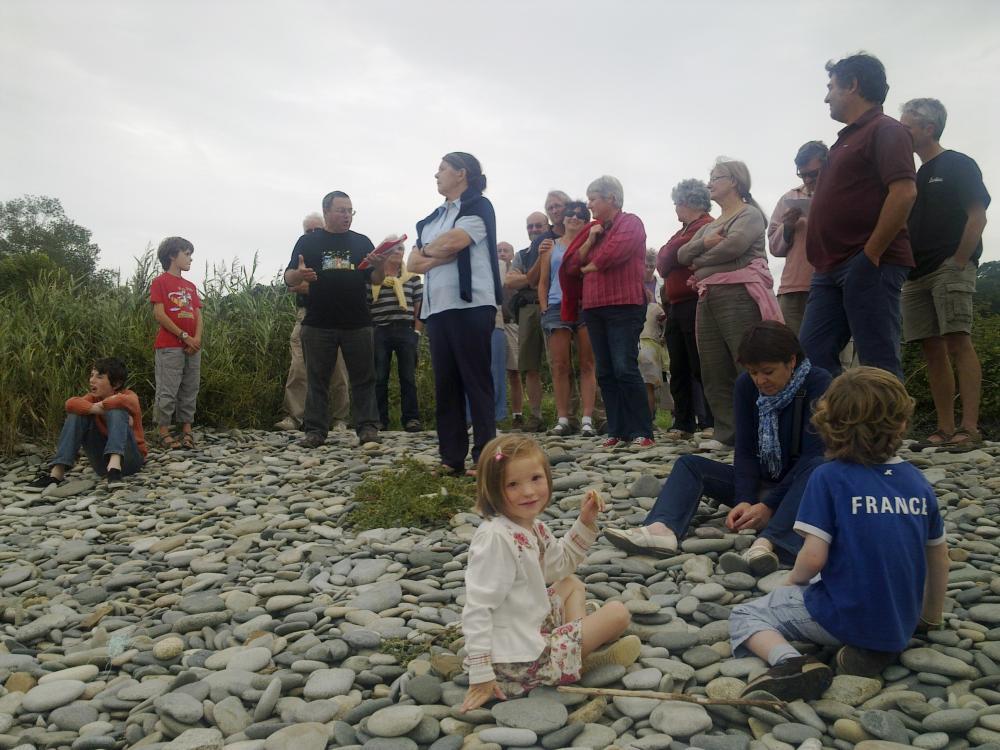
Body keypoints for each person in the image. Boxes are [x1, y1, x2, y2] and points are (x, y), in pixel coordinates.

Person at [729, 367, 948, 700]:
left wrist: (793, 582)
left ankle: (793, 663)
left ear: (827, 425)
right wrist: (929, 617)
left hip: (844, 615)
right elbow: (938, 557)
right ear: (901, 423)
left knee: (745, 613)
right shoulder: (917, 482)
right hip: (900, 619)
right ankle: (874, 649)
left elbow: (814, 557)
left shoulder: (828, 477)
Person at [605, 322, 831, 575]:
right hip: (761, 482)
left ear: (791, 360)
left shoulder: (818, 382)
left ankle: (769, 542)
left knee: (820, 467)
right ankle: (662, 529)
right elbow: (744, 449)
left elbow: (814, 453)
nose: (760, 380)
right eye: (753, 372)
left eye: (768, 371)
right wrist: (744, 500)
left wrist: (769, 507)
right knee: (689, 464)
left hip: (800, 487)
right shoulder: (747, 385)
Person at [460, 435, 638, 712]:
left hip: (525, 631)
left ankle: (576, 647)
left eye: (535, 478)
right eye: (513, 484)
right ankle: (579, 657)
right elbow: (478, 607)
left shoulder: (531, 526)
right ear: (493, 490)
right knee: (618, 613)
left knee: (571, 583)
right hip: (517, 662)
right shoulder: (496, 538)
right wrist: (481, 674)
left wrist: (585, 522)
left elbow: (561, 564)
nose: (529, 492)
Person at [799, 53, 918, 379]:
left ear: (852, 84)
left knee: (877, 359)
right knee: (811, 356)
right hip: (829, 268)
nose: (826, 96)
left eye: (831, 87)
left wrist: (871, 254)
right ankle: (833, 429)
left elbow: (904, 192)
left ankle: (885, 431)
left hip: (869, 261)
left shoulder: (886, 129)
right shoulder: (844, 141)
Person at [899, 98, 991, 450]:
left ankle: (969, 427)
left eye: (907, 126)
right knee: (930, 349)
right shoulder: (914, 176)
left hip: (950, 267)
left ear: (928, 128)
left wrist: (959, 260)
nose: (902, 132)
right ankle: (944, 428)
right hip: (915, 274)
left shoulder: (957, 164)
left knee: (957, 340)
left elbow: (977, 214)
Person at [407, 152, 501, 475]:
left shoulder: (478, 206)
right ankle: (451, 457)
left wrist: (429, 252)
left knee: (476, 381)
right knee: (445, 384)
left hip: (471, 304)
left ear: (462, 173)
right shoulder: (432, 218)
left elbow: (456, 241)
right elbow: (412, 263)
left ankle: (486, 457)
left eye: (443, 169)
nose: (436, 174)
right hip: (438, 310)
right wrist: (437, 253)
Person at [677, 159, 780, 448]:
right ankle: (728, 433)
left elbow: (735, 247)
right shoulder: (713, 225)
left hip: (739, 295)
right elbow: (682, 255)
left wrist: (700, 260)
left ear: (734, 181)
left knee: (746, 362)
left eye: (715, 177)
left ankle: (761, 432)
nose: (709, 183)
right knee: (713, 367)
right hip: (708, 296)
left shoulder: (749, 214)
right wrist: (704, 245)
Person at [284, 191, 386, 448]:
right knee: (317, 379)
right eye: (341, 210)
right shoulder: (309, 242)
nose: (346, 215)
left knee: (364, 378)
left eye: (350, 210)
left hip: (358, 322)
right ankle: (315, 431)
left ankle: (368, 429)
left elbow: (377, 279)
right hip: (318, 322)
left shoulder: (362, 242)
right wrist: (300, 274)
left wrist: (381, 263)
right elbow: (288, 278)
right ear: (327, 211)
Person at [563, 176, 653, 448]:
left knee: (625, 367)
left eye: (593, 199)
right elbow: (571, 265)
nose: (589, 204)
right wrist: (590, 241)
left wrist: (590, 265)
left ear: (611, 198)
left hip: (624, 305)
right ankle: (617, 428)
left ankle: (642, 430)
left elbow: (616, 252)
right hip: (594, 308)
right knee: (605, 371)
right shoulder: (593, 230)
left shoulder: (631, 222)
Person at [275, 213, 351, 433]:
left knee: (338, 369)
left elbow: (342, 285)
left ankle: (340, 419)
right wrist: (314, 284)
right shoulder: (302, 252)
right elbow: (291, 285)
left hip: (336, 315)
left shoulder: (336, 251)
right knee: (298, 366)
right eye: (309, 231)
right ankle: (293, 417)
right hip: (306, 314)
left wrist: (313, 285)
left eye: (317, 229)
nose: (313, 234)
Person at [28, 357, 147, 490]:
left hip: (131, 460)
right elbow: (70, 403)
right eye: (91, 375)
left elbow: (122, 402)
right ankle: (57, 473)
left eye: (100, 377)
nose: (92, 380)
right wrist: (96, 409)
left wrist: (103, 407)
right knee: (77, 413)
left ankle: (115, 467)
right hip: (102, 465)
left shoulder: (129, 395)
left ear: (117, 384)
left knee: (117, 410)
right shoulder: (92, 398)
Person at [657, 179, 714, 439]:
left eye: (676, 203)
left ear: (687, 202)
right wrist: (670, 255)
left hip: (696, 301)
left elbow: (672, 256)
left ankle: (712, 420)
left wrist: (670, 255)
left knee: (701, 362)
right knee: (678, 364)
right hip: (676, 305)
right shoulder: (681, 232)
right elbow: (662, 262)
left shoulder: (705, 226)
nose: (675, 209)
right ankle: (683, 422)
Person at [537, 200, 598, 437]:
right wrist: (544, 307)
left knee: (587, 363)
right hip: (556, 306)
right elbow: (543, 281)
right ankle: (563, 418)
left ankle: (586, 419)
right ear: (562, 218)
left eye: (580, 214)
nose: (574, 217)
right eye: (570, 213)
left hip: (585, 305)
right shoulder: (550, 247)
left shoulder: (592, 245)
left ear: (586, 220)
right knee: (560, 365)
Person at [506, 204, 565, 432]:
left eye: (538, 225)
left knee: (559, 363)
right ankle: (536, 417)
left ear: (547, 226)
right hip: (528, 310)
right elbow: (510, 282)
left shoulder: (559, 247)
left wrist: (525, 278)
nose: (533, 229)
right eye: (529, 226)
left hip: (552, 306)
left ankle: (566, 416)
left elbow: (522, 280)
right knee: (530, 366)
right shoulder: (521, 255)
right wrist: (529, 276)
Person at [768, 141, 829, 335]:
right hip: (792, 287)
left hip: (831, 282)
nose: (808, 180)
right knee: (791, 351)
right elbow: (774, 248)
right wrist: (788, 226)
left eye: (814, 174)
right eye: (803, 175)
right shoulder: (789, 198)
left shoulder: (841, 194)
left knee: (828, 351)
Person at [150, 236, 202, 450]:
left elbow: (198, 314)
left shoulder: (190, 286)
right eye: (187, 254)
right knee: (168, 389)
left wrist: (196, 339)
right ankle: (163, 430)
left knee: (190, 387)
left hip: (192, 346)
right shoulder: (160, 282)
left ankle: (187, 428)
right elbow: (159, 314)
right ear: (172, 255)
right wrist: (183, 335)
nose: (190, 259)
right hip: (170, 345)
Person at [369, 237, 424, 431]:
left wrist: (417, 331)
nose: (397, 251)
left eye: (401, 248)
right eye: (392, 248)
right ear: (384, 251)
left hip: (405, 330)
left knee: (408, 377)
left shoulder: (413, 278)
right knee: (379, 377)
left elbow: (419, 307)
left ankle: (411, 419)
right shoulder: (374, 276)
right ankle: (379, 420)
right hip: (380, 330)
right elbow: (366, 305)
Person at [498, 241, 523, 420]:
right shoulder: (489, 274)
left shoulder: (517, 275)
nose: (502, 253)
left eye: (506, 250)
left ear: (512, 255)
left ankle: (517, 415)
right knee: (492, 370)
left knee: (514, 371)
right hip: (493, 325)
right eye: (498, 250)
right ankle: (493, 415)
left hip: (512, 324)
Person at [638, 301, 670, 423]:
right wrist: (663, 336)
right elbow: (666, 321)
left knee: (637, 386)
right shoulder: (655, 308)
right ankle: (648, 419)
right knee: (648, 387)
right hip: (651, 348)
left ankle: (638, 418)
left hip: (635, 346)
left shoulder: (632, 308)